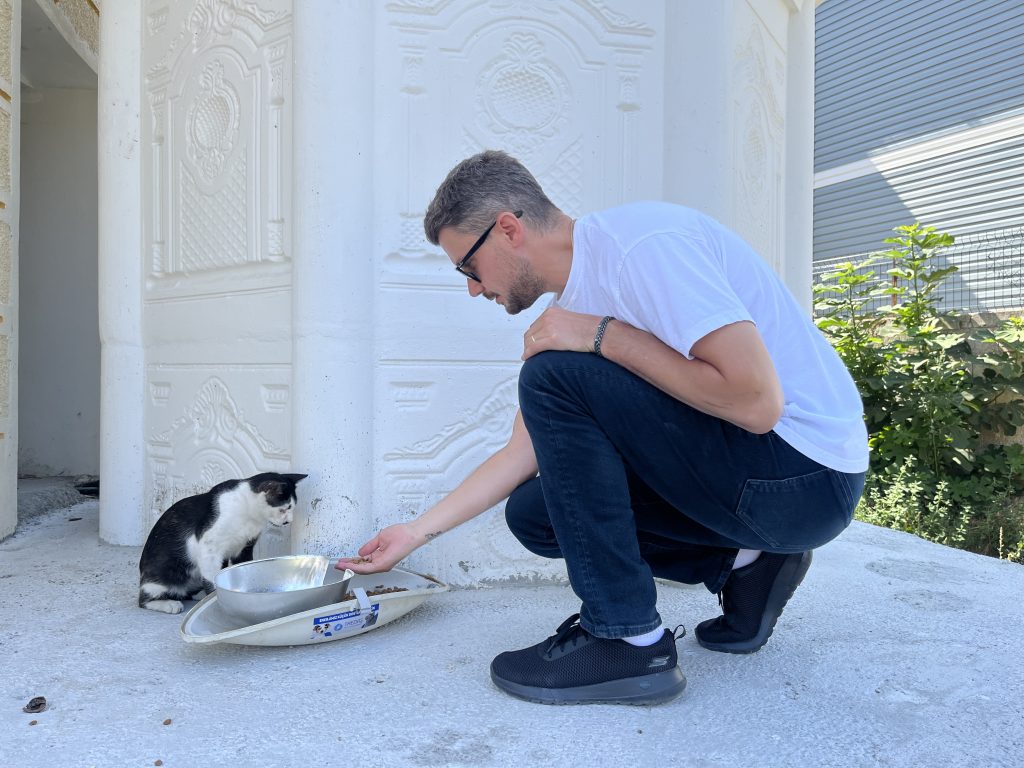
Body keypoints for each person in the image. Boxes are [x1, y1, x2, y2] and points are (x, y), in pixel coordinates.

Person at [337, 150, 868, 706]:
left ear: (508, 230)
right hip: (764, 486)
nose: (473, 288)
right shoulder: (574, 308)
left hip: (806, 478)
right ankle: (747, 564)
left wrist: (604, 336)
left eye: (468, 268)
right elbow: (521, 454)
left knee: (551, 374)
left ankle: (627, 640)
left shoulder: (643, 246)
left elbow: (757, 403)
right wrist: (414, 533)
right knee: (536, 513)